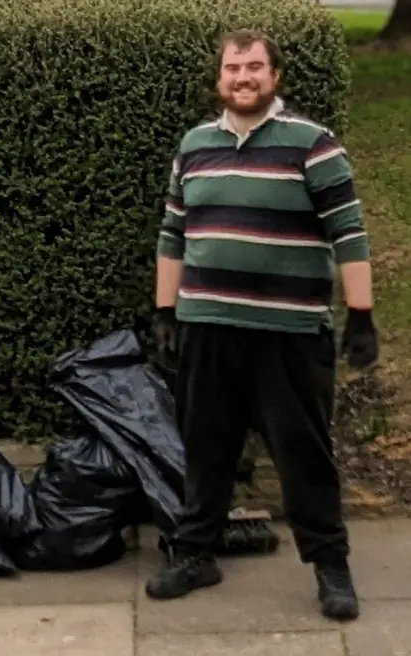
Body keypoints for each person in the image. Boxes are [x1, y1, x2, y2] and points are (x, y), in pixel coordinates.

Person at [145, 29, 378, 622]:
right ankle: (195, 553)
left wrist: (361, 317)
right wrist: (166, 312)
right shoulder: (194, 144)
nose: (242, 77)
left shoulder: (313, 144)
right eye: (232, 68)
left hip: (289, 334)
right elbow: (173, 233)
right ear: (218, 78)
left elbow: (348, 235)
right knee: (206, 450)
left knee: (304, 455)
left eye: (253, 67)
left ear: (275, 76)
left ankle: (331, 566)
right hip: (208, 327)